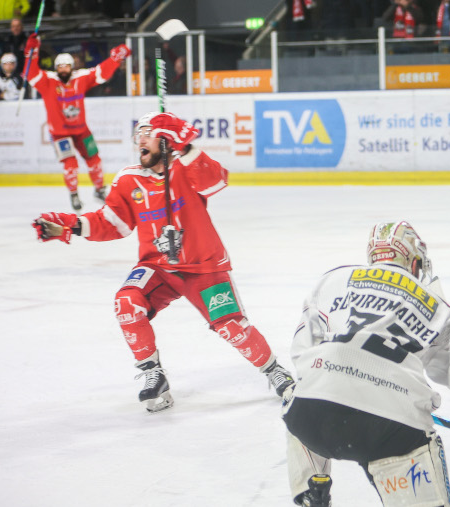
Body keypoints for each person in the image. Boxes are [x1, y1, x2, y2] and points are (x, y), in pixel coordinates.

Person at [32, 112, 296, 413]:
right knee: (127, 303)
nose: (140, 140)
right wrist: (70, 225)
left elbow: (216, 182)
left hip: (203, 265)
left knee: (231, 327)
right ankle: (152, 373)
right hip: (157, 267)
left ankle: (275, 371)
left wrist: (186, 149)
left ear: (165, 140)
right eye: (138, 135)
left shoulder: (184, 168)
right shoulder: (129, 179)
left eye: (148, 133)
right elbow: (111, 223)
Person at [283, 221, 450, 507]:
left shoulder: (332, 281)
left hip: (309, 422)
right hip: (390, 426)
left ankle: (314, 484)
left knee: (302, 392)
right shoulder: (434, 304)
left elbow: (302, 355)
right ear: (414, 260)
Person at [24, 34, 129, 212]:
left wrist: (115, 59)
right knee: (70, 164)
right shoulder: (48, 81)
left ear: (72, 67)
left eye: (66, 66)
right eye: (60, 66)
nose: (63, 69)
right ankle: (74, 194)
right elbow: (30, 74)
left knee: (94, 160)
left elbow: (100, 73)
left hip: (81, 130)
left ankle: (99, 189)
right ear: (56, 68)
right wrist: (31, 52)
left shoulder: (80, 78)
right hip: (59, 133)